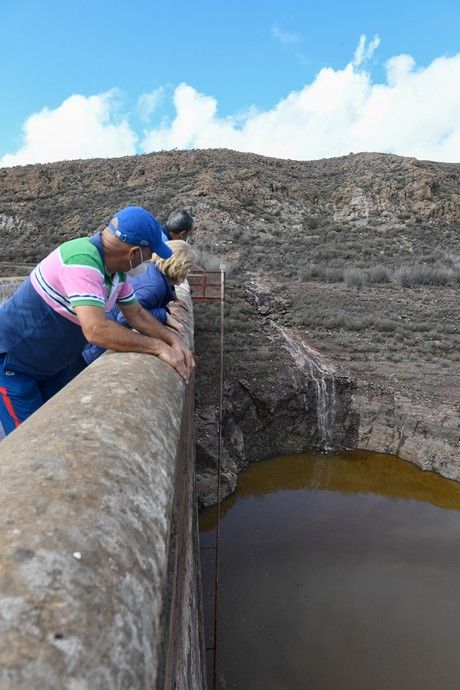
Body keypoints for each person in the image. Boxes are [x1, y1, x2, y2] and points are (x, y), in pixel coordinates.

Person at [0, 206, 194, 438]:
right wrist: (158, 347)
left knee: (59, 430)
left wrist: (173, 340)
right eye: (148, 254)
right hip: (15, 367)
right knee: (29, 444)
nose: (149, 261)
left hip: (50, 367)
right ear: (133, 253)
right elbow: (96, 329)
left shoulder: (116, 272)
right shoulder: (81, 259)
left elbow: (137, 314)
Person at [82, 240, 197, 365]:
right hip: (97, 346)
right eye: (188, 268)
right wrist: (163, 314)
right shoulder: (154, 286)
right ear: (180, 266)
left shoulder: (150, 270)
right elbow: (125, 317)